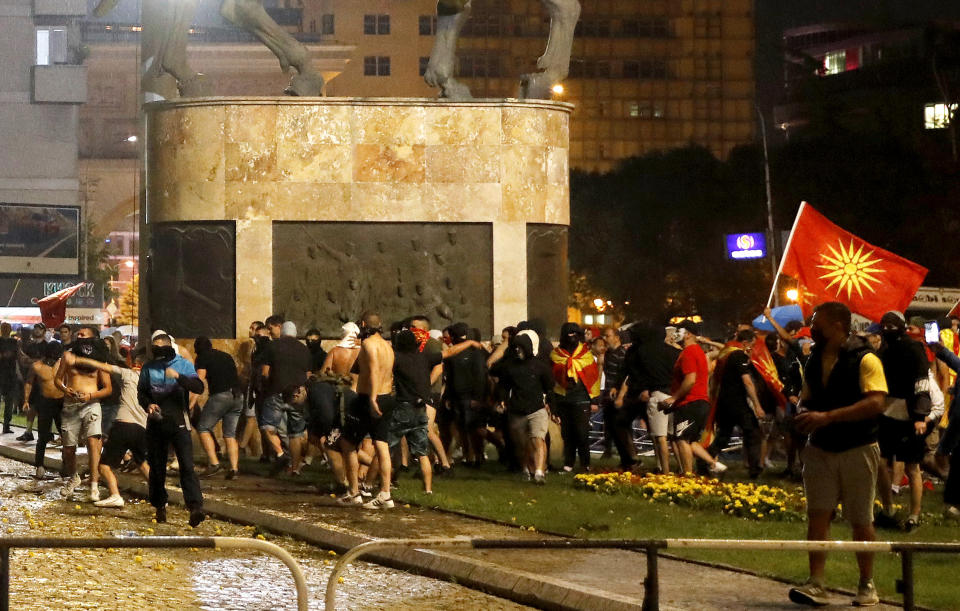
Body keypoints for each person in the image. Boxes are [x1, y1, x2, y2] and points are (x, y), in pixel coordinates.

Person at [788, 302, 887, 608]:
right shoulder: (814, 358)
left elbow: (876, 403)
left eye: (817, 322)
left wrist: (827, 417)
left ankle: (866, 584)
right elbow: (807, 398)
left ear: (838, 326)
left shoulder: (866, 359)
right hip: (820, 447)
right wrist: (803, 415)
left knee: (861, 519)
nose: (811, 327)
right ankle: (816, 583)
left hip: (857, 447)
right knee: (818, 515)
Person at [61, 349, 150, 508]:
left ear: (135, 363)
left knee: (104, 466)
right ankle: (159, 494)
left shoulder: (127, 374)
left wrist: (80, 360)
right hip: (141, 428)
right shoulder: (152, 382)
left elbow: (101, 365)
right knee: (142, 462)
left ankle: (115, 495)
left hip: (123, 425)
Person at [139, 333, 206, 526]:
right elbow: (141, 392)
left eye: (161, 348)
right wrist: (148, 405)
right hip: (156, 422)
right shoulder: (148, 367)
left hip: (179, 421)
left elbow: (198, 387)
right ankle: (160, 505)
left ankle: (195, 508)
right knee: (157, 468)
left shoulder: (183, 364)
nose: (158, 353)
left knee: (187, 465)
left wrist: (178, 377)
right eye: (155, 348)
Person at [874, 312, 932, 532]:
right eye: (884, 325)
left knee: (912, 467)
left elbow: (922, 382)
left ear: (901, 327)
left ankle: (913, 516)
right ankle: (888, 509)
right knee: (880, 462)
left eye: (892, 325)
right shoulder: (884, 350)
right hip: (887, 414)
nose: (887, 329)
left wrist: (919, 417)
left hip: (909, 416)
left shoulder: (913, 348)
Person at [338, 311, 396, 509]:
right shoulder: (388, 347)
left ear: (363, 324)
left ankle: (354, 492)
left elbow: (372, 372)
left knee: (347, 443)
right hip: (387, 397)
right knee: (382, 445)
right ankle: (385, 494)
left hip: (369, 398)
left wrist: (371, 398)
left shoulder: (369, 345)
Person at [54, 326, 112, 501]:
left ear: (93, 338)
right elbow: (57, 379)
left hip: (91, 404)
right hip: (70, 405)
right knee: (69, 448)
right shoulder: (68, 356)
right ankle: (74, 476)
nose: (79, 337)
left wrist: (90, 396)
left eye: (83, 335)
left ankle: (94, 484)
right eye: (78, 334)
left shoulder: (100, 359)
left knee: (93, 442)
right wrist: (65, 389)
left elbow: (108, 388)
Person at [661, 321, 726, 475]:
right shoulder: (696, 351)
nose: (676, 334)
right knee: (691, 441)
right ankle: (715, 465)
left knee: (681, 439)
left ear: (688, 334)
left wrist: (673, 398)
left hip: (690, 402)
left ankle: (688, 476)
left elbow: (690, 380)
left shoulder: (690, 352)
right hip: (700, 402)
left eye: (679, 330)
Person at [490, 333, 554, 483]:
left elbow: (550, 388)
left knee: (538, 439)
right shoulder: (510, 367)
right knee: (522, 444)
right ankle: (526, 468)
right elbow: (502, 385)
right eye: (516, 347)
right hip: (516, 410)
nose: (518, 350)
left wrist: (552, 407)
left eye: (521, 347)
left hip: (537, 409)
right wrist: (502, 399)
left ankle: (539, 472)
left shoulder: (540, 366)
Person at [616, 323, 679, 473]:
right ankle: (682, 468)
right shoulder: (674, 351)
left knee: (660, 436)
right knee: (674, 437)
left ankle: (664, 469)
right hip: (673, 394)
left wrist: (643, 389)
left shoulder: (643, 352)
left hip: (654, 394)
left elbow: (640, 373)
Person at [389, 329, 441, 492]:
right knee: (422, 452)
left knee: (386, 447)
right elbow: (448, 353)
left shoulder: (397, 359)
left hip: (404, 407)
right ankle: (428, 489)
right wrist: (470, 343)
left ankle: (380, 484)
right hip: (420, 408)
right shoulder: (424, 357)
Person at [708, 329, 765, 477]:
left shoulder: (725, 353)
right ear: (745, 343)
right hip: (737, 402)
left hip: (723, 401)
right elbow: (747, 382)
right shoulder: (738, 355)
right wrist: (757, 405)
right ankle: (755, 469)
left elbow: (715, 379)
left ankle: (704, 461)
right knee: (753, 433)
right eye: (751, 345)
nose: (751, 349)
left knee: (724, 436)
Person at [260, 317, 311, 473]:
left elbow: (265, 373)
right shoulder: (304, 349)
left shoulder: (272, 346)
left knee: (267, 427)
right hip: (297, 394)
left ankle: (281, 454)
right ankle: (295, 469)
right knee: (295, 433)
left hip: (277, 391)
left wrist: (267, 386)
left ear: (282, 331)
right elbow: (308, 375)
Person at [550, 323, 601, 472]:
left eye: (574, 333)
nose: (571, 336)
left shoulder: (586, 354)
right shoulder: (556, 355)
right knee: (567, 433)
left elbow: (593, 377)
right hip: (562, 398)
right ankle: (568, 463)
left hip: (582, 398)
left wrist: (594, 399)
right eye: (569, 333)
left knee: (581, 432)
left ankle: (585, 464)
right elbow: (552, 378)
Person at [193, 336, 242, 479]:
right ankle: (234, 469)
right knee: (230, 434)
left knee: (203, 427)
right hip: (238, 396)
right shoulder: (226, 355)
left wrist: (192, 399)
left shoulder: (202, 357)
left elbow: (199, 380)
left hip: (221, 396)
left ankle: (214, 464)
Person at [444, 322, 491, 466]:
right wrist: (449, 396)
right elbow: (451, 377)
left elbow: (480, 377)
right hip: (460, 397)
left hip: (470, 397)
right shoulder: (468, 352)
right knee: (463, 429)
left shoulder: (474, 353)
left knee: (473, 429)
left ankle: (477, 456)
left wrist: (478, 398)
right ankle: (469, 456)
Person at [22, 341, 64, 479]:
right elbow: (29, 382)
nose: (54, 359)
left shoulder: (62, 363)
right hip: (45, 402)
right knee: (43, 436)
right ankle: (39, 465)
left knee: (66, 435)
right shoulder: (37, 366)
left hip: (61, 402)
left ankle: (67, 466)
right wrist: (26, 400)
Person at [0, 322, 19, 434]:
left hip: (10, 375)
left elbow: (17, 356)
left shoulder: (14, 342)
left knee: (9, 401)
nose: (6, 329)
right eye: (4, 327)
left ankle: (6, 425)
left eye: (7, 328)